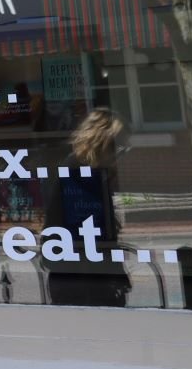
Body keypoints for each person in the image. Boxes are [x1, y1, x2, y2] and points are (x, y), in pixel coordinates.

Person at [43, 107, 131, 307]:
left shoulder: (97, 173)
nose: (121, 155)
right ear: (103, 142)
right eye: (119, 147)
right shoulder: (76, 172)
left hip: (90, 275)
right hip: (80, 280)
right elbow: (67, 224)